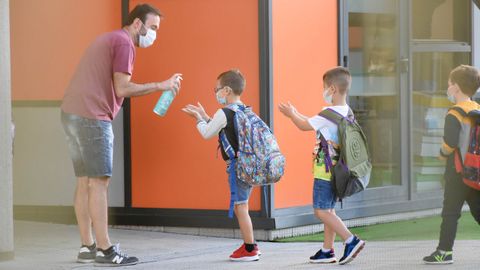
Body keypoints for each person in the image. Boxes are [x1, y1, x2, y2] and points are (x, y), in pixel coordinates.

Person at [60, 3, 182, 267]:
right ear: (137, 24)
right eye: (153, 28)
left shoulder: (109, 38)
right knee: (99, 183)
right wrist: (161, 85)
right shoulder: (124, 42)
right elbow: (123, 87)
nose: (154, 34)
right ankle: (105, 251)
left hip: (71, 113)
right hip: (92, 117)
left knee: (84, 182)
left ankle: (87, 247)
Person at [278, 66, 365, 265]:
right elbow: (310, 121)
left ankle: (351, 240)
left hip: (324, 172)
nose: (323, 91)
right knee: (329, 210)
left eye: (324, 87)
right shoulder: (347, 111)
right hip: (339, 171)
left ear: (332, 89)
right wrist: (296, 112)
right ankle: (327, 250)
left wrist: (291, 115)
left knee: (321, 211)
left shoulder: (327, 113)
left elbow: (303, 126)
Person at [181, 69, 260, 262]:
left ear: (226, 90)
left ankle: (250, 248)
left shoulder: (225, 112)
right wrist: (205, 116)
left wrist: (198, 119)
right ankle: (249, 244)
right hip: (249, 165)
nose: (215, 93)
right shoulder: (244, 110)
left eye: (215, 89)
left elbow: (207, 133)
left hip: (236, 167)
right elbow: (222, 130)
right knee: (243, 205)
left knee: (241, 207)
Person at [423, 65, 480, 265]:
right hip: (475, 171)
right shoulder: (476, 108)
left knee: (450, 213)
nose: (447, 87)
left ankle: (444, 251)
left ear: (455, 87)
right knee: (478, 210)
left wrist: (440, 154)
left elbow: (450, 143)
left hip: (457, 172)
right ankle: (443, 250)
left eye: (449, 83)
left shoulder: (454, 113)